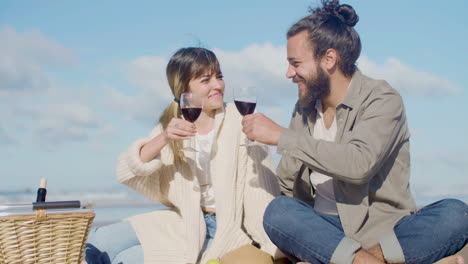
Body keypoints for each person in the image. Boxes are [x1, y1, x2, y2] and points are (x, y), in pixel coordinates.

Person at [240, 1, 468, 264]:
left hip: (385, 232)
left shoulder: (382, 99)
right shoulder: (304, 108)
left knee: (455, 214)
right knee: (279, 212)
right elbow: (287, 185)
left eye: (296, 63)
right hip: (324, 232)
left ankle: (356, 260)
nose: (289, 73)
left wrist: (282, 137)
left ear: (329, 59)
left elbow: (359, 164)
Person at [84, 47, 283, 264]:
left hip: (223, 229)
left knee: (126, 259)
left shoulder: (241, 120)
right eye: (206, 80)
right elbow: (126, 172)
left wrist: (274, 246)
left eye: (219, 76)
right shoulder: (174, 123)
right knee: (99, 241)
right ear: (184, 90)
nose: (217, 85)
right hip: (184, 220)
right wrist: (164, 138)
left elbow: (262, 191)